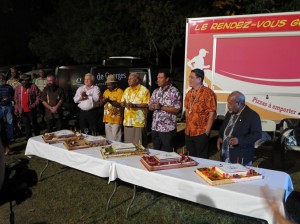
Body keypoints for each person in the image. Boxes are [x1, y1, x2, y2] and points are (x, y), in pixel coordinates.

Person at [217, 91, 262, 165]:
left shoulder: (252, 115)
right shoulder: (230, 112)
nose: (228, 106)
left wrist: (239, 140)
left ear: (238, 103)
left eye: (230, 103)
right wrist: (220, 136)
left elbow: (257, 134)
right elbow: (224, 126)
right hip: (226, 154)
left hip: (240, 156)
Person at [184, 68, 217, 158]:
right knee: (190, 157)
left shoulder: (208, 93)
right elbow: (187, 110)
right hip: (189, 132)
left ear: (199, 79)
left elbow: (212, 113)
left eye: (192, 77)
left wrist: (207, 131)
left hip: (201, 132)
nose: (189, 79)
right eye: (189, 77)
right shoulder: (189, 94)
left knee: (202, 159)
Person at [149, 70, 181, 152]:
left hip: (167, 129)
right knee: (156, 153)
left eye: (160, 78)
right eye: (157, 78)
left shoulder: (174, 92)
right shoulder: (156, 92)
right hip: (155, 128)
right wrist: (152, 106)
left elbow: (177, 109)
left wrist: (161, 107)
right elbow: (150, 107)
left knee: (168, 154)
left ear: (167, 79)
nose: (158, 80)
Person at [121, 72, 150, 146]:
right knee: (128, 145)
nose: (128, 80)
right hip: (128, 121)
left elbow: (147, 104)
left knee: (139, 145)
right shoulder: (126, 90)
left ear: (137, 80)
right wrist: (123, 104)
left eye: (131, 79)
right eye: (128, 79)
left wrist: (134, 105)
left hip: (138, 122)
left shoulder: (144, 90)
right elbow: (122, 102)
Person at [14, 74, 41, 140]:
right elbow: (16, 99)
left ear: (28, 80)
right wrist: (16, 109)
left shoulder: (33, 86)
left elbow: (38, 96)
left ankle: (38, 136)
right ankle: (29, 137)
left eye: (25, 80)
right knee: (26, 124)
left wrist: (34, 104)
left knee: (34, 124)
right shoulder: (18, 89)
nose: (24, 82)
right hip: (22, 110)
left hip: (31, 109)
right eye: (22, 80)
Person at [102, 74, 123, 142]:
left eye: (110, 85)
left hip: (116, 119)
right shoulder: (106, 91)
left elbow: (119, 105)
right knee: (109, 139)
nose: (108, 86)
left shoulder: (120, 91)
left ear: (115, 84)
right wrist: (103, 101)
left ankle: (118, 151)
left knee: (116, 139)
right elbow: (102, 103)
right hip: (107, 118)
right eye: (107, 85)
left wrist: (109, 100)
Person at [0, 73, 14, 155]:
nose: (1, 80)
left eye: (2, 78)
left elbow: (13, 95)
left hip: (8, 106)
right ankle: (4, 144)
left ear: (4, 79)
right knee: (1, 126)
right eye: (0, 79)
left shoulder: (9, 87)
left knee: (10, 122)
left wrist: (10, 98)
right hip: (0, 107)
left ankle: (10, 137)